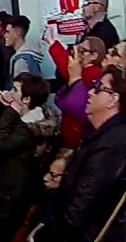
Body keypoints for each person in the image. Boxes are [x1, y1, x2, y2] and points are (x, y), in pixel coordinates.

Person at [33, 66, 126, 242]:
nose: (90, 92)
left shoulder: (112, 144)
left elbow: (81, 206)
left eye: (99, 88)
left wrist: (45, 237)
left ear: (113, 99)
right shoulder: (100, 134)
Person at [0, 73, 52, 242]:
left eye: (15, 90)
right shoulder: (22, 120)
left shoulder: (28, 129)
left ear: (26, 100)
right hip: (6, 188)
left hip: (11, 197)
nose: (10, 93)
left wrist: (11, 111)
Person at [3, 15, 44, 84]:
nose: (5, 35)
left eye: (8, 32)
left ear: (17, 33)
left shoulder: (21, 61)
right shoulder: (31, 56)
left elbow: (20, 89)